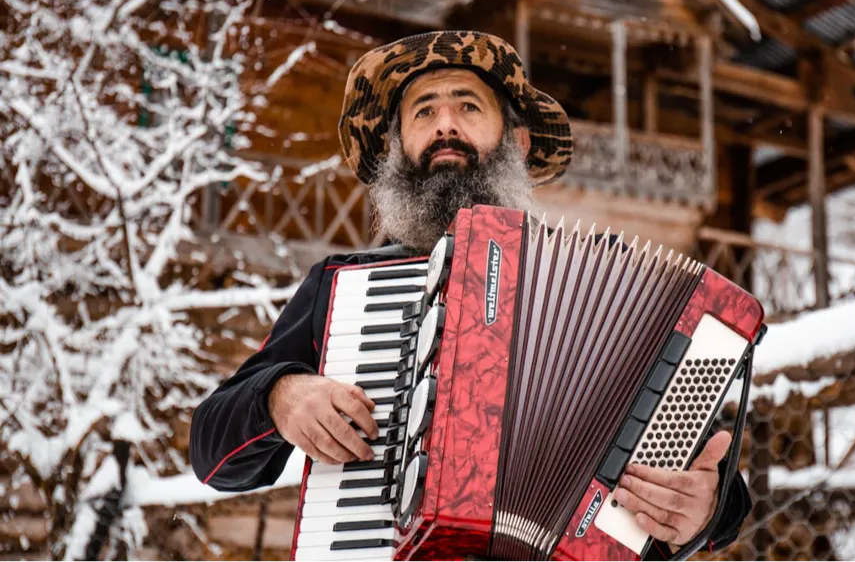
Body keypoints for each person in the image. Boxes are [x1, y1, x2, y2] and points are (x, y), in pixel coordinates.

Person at [189, 30, 753, 558]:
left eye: (468, 106)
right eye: (423, 111)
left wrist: (706, 509)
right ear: (395, 148)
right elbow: (211, 453)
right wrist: (279, 396)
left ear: (517, 143)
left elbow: (705, 474)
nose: (445, 126)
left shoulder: (606, 286)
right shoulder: (343, 290)